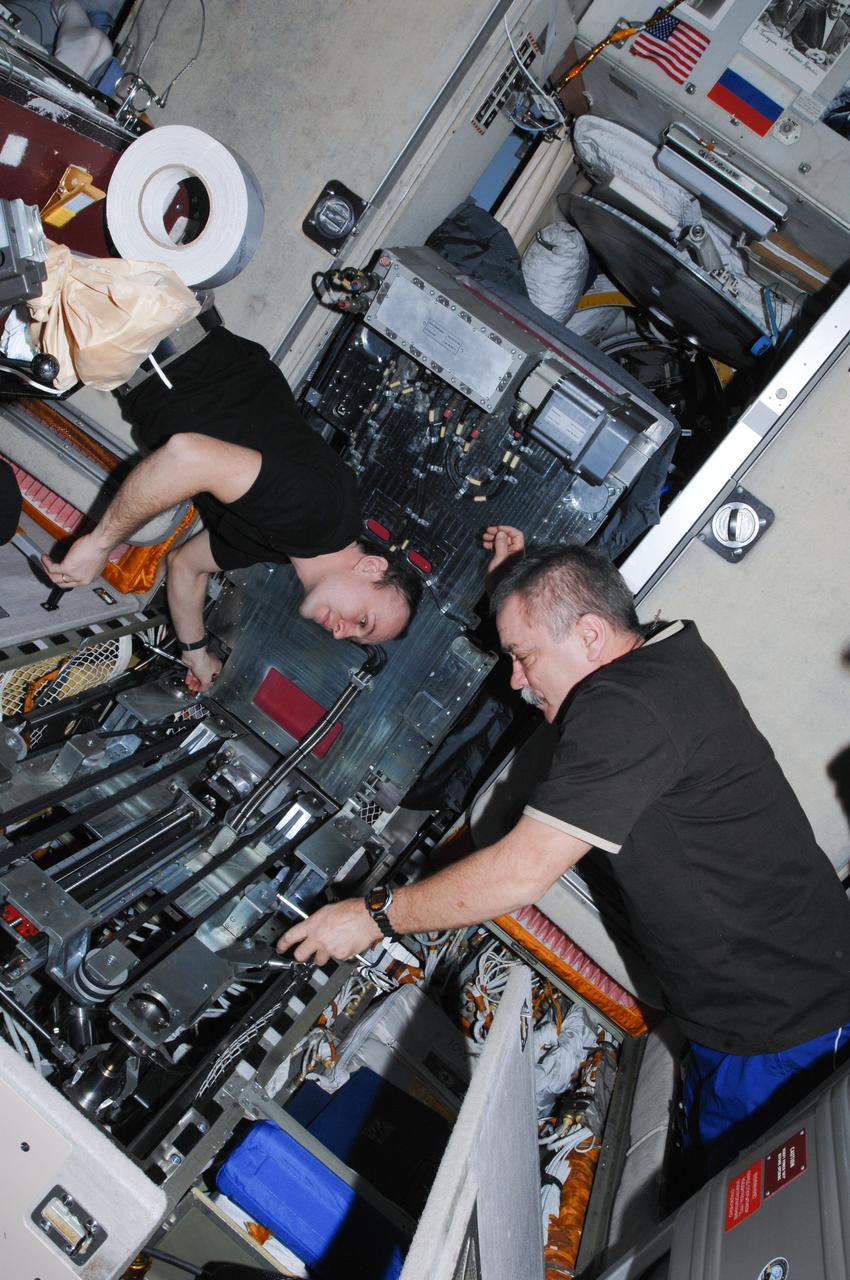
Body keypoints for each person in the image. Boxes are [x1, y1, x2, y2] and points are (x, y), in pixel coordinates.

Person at [278, 526, 850, 1175]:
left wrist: (371, 916)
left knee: (728, 1205)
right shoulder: (665, 658)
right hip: (745, 1017)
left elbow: (519, 874)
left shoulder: (626, 706)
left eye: (523, 657)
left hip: (783, 1029)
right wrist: (515, 589)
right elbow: (561, 614)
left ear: (589, 636)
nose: (517, 682)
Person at [41, 325, 421, 691]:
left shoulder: (283, 545)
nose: (341, 631)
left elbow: (186, 567)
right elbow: (189, 458)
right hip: (151, 332)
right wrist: (99, 545)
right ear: (371, 567)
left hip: (141, 352)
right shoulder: (317, 518)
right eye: (363, 620)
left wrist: (196, 653)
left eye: (353, 638)